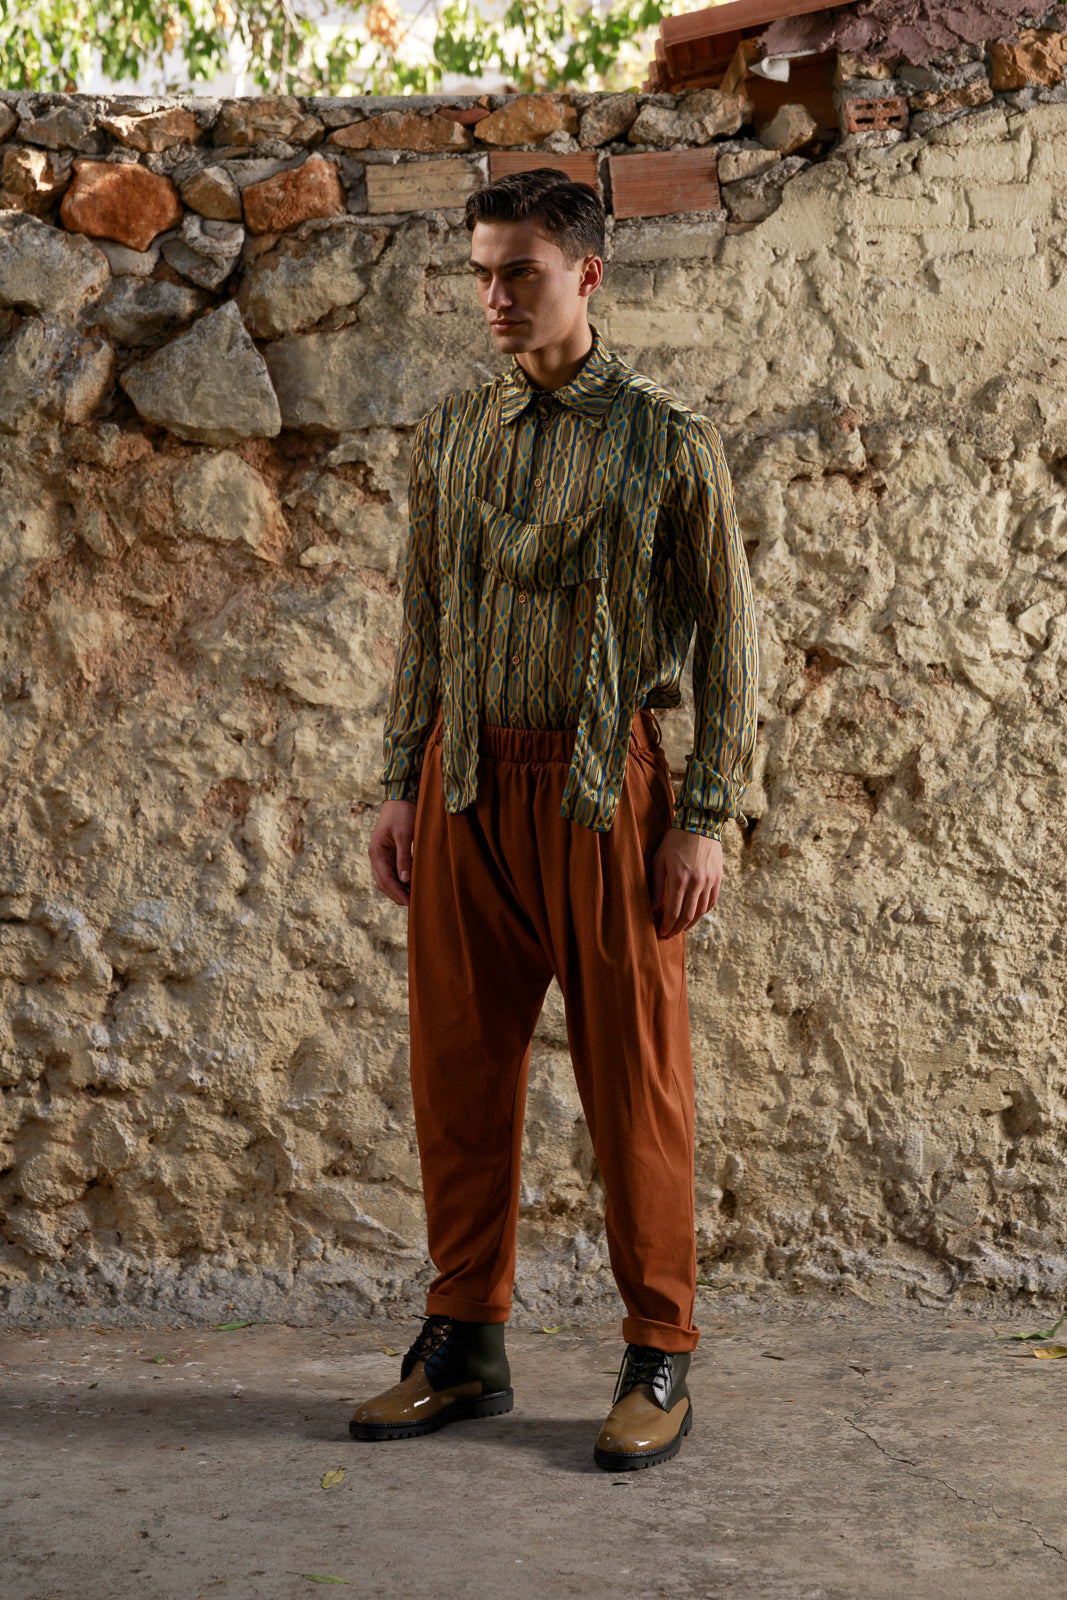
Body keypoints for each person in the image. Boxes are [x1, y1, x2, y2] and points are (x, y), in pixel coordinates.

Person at [350, 168, 757, 1471]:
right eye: (480, 273)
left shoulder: (667, 440)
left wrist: (705, 814)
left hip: (605, 795)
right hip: (465, 785)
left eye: (517, 272)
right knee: (457, 1076)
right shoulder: (452, 436)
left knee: (637, 1085)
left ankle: (660, 1350)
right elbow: (424, 623)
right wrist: (398, 780)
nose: (493, 297)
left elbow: (731, 643)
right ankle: (463, 1342)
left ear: (587, 273)